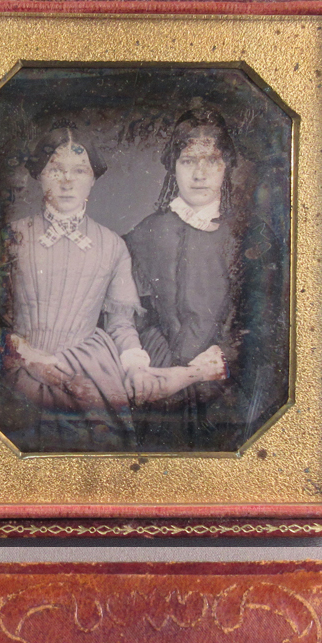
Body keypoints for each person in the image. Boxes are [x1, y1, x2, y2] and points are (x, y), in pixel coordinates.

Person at [0, 127, 226, 452]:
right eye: (55, 169)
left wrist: (135, 364)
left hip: (90, 369)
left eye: (79, 171)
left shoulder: (112, 245)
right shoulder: (13, 237)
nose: (67, 181)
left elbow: (121, 323)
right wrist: (21, 352)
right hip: (19, 369)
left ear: (93, 179)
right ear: (39, 175)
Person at [124, 105, 279, 450]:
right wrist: (162, 369)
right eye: (188, 161)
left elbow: (262, 325)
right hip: (158, 382)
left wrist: (214, 363)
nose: (199, 173)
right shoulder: (145, 234)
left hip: (227, 390)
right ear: (173, 167)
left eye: (211, 161)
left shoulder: (252, 237)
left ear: (227, 166)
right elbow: (135, 316)